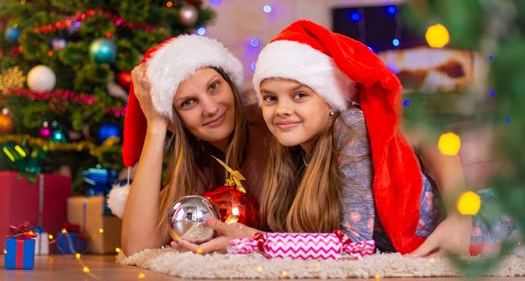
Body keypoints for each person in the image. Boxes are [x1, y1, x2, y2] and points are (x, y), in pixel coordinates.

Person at [175, 20, 514, 257]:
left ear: (330, 100)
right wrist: (241, 238)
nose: (281, 110)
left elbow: (356, 246)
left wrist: (251, 242)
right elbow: (311, 242)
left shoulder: (351, 127)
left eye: (300, 95)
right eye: (270, 98)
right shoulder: (291, 152)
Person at [120, 35, 271, 256]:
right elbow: (137, 247)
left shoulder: (271, 130)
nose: (210, 108)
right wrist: (156, 125)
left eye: (214, 86)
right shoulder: (200, 162)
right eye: (188, 102)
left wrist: (254, 241)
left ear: (229, 83)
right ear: (175, 120)